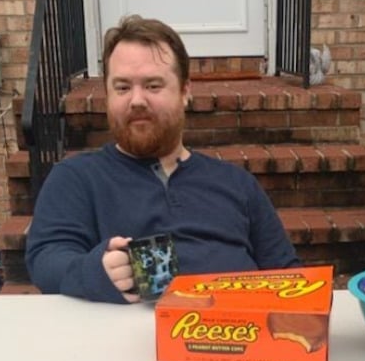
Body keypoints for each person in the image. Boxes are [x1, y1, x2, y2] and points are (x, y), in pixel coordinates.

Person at [24, 15, 301, 304]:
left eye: (153, 85)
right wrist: (93, 271)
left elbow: (288, 274)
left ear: (185, 92)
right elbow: (46, 260)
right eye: (122, 87)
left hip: (238, 336)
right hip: (124, 341)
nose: (137, 100)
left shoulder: (237, 183)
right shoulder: (76, 178)